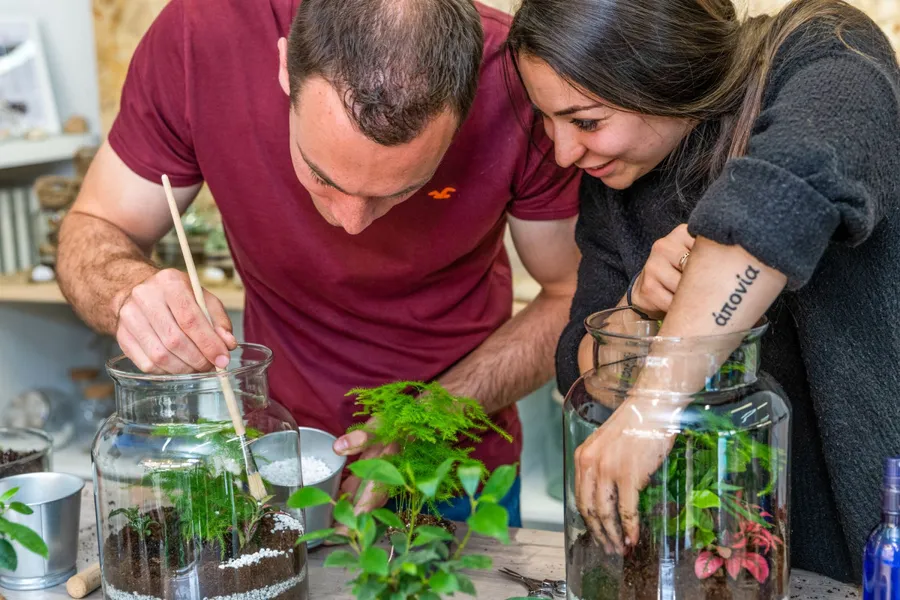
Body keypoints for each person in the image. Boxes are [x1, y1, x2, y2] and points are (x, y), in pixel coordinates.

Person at [56, 0, 583, 528]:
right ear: (285, 66)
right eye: (322, 176)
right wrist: (129, 291)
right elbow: (96, 225)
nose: (351, 224)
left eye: (401, 192)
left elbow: (571, 295)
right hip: (277, 465)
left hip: (454, 466)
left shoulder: (518, 78)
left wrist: (428, 418)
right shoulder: (202, 33)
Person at [508, 0, 900, 582]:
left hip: (872, 528)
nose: (564, 152)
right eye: (548, 120)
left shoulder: (824, 51)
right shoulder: (616, 180)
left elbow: (779, 199)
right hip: (730, 563)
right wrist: (637, 305)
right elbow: (579, 366)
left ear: (663, 72)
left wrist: (651, 407)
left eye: (586, 121)